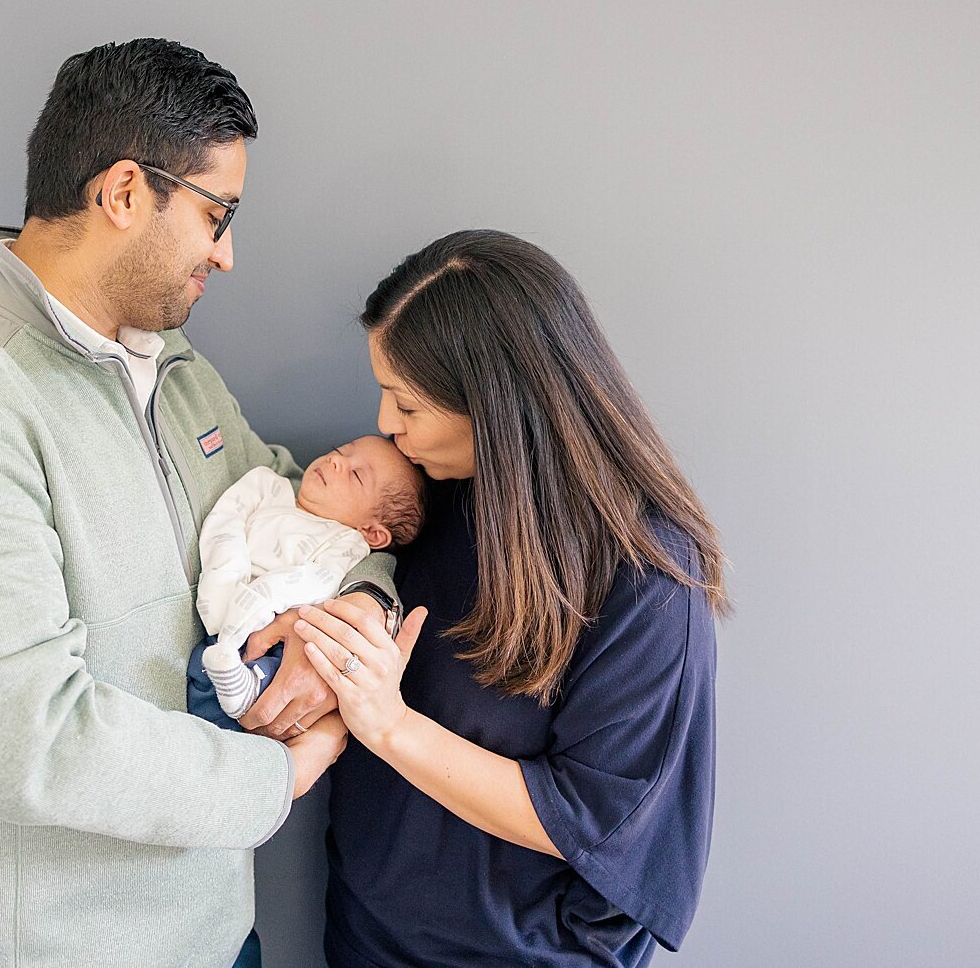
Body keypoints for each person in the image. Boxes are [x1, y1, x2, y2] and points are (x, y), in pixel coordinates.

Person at [0, 39, 396, 968]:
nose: (228, 252)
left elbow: (317, 513)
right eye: (218, 214)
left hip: (212, 934)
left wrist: (356, 605)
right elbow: (31, 739)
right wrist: (285, 771)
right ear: (126, 192)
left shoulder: (177, 373)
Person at [250, 229, 726, 965]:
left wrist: (388, 724)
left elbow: (591, 816)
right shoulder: (435, 494)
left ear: (495, 407)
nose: (383, 424)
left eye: (406, 403)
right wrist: (321, 624)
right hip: (362, 935)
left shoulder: (649, 581)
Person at [188, 435, 425, 725]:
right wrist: (224, 581)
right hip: (225, 610)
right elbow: (225, 521)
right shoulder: (269, 488)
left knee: (292, 658)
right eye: (339, 449)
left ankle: (247, 689)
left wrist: (260, 598)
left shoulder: (345, 541)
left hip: (274, 628)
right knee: (202, 673)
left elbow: (318, 581)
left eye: (355, 475)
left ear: (371, 532)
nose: (335, 460)